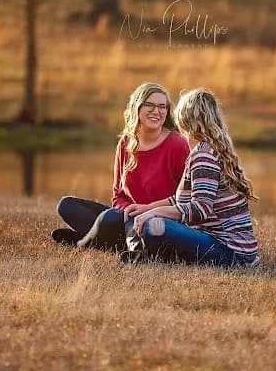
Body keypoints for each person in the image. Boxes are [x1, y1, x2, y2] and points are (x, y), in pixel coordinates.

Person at [128, 88, 260, 267]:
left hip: (232, 252)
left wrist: (153, 213)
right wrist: (148, 207)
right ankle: (150, 254)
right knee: (152, 222)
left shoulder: (204, 155)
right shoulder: (205, 151)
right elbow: (183, 199)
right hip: (228, 247)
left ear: (184, 118)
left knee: (154, 226)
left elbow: (200, 208)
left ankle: (146, 255)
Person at [52, 82, 190, 250]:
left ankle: (84, 242)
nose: (156, 111)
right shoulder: (126, 143)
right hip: (126, 218)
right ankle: (117, 241)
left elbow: (186, 198)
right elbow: (118, 196)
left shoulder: (177, 145)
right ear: (137, 107)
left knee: (109, 218)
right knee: (67, 205)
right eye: (150, 105)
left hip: (159, 222)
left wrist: (147, 211)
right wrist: (127, 212)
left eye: (162, 107)